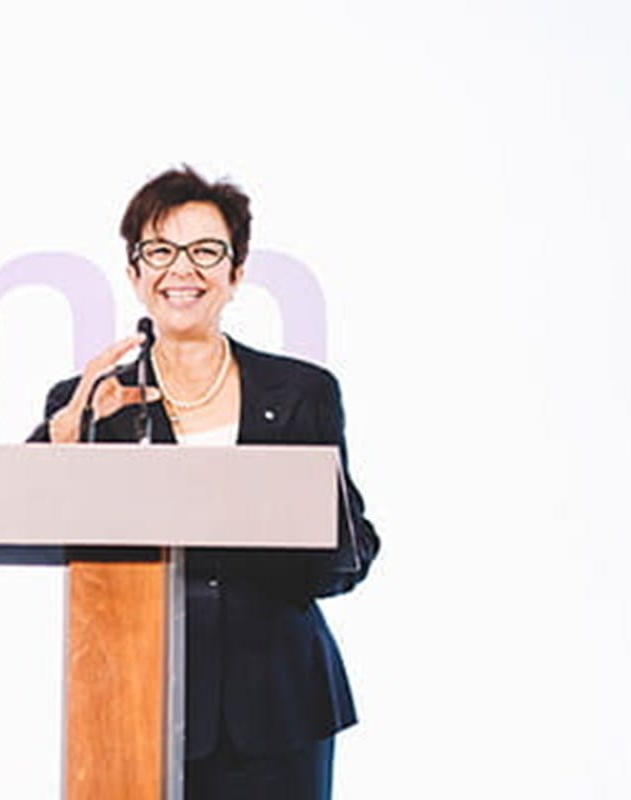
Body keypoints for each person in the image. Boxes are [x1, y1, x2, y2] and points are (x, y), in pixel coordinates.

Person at [28, 167, 379, 800]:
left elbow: (353, 553)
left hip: (279, 706)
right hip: (130, 704)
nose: (180, 269)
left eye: (205, 251)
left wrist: (302, 527)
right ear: (135, 275)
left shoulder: (302, 393)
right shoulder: (91, 401)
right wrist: (63, 436)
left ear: (236, 273)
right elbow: (20, 517)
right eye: (159, 251)